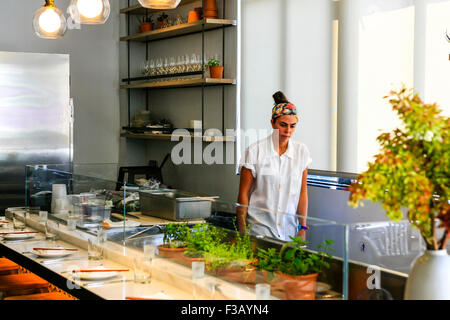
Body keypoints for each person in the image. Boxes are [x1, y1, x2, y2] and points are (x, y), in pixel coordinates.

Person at [237, 91, 312, 241]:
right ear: (272, 123)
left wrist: (303, 227)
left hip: (289, 231)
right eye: (283, 125)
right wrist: (241, 231)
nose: (288, 131)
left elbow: (302, 193)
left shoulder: (301, 152)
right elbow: (243, 195)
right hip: (259, 229)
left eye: (292, 126)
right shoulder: (254, 151)